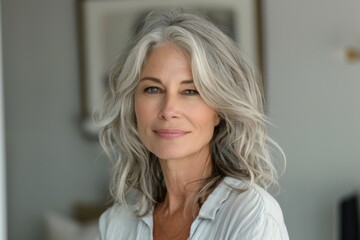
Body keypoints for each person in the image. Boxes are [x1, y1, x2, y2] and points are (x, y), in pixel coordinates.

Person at [95, 9, 289, 240]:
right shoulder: (116, 223)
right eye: (153, 89)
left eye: (190, 91)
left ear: (218, 110)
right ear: (133, 105)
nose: (168, 110)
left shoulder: (251, 214)